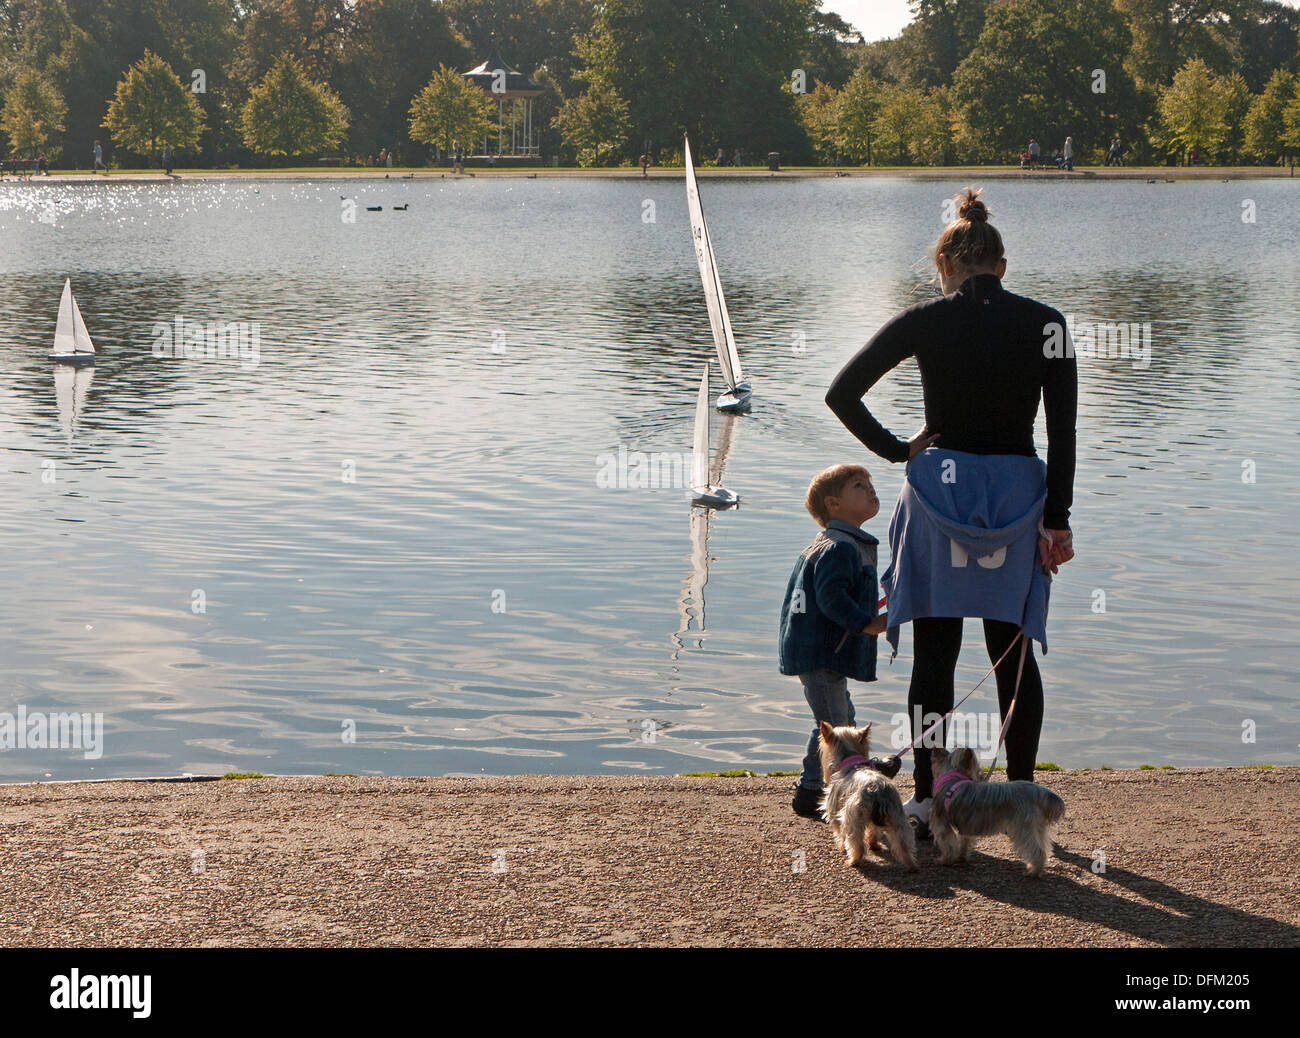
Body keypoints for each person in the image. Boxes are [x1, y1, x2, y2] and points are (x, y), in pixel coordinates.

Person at [825, 187, 1077, 839]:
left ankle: (927, 798)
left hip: (940, 489)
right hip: (1018, 498)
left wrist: (897, 449)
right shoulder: (1047, 324)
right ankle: (1023, 797)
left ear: (946, 270)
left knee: (934, 656)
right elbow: (1063, 434)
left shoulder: (925, 320)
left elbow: (841, 393)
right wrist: (1060, 517)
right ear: (1001, 264)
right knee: (1013, 652)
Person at [779, 464, 889, 818]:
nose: (870, 490)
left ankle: (839, 777)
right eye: (859, 486)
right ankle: (814, 791)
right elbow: (831, 598)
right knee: (833, 726)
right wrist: (867, 624)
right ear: (833, 504)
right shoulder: (841, 547)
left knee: (840, 720)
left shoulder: (835, 542)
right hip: (822, 649)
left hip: (817, 648)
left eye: (870, 484)